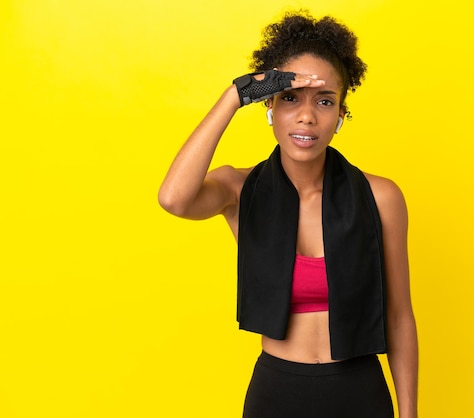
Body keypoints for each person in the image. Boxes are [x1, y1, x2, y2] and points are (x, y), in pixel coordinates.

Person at [158, 10, 418, 418]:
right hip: (277, 393)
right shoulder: (238, 189)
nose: (307, 116)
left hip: (360, 392)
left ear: (340, 117)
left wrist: (409, 415)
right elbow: (174, 199)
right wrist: (234, 96)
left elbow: (400, 316)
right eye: (290, 98)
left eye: (325, 102)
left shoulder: (380, 196)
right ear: (270, 108)